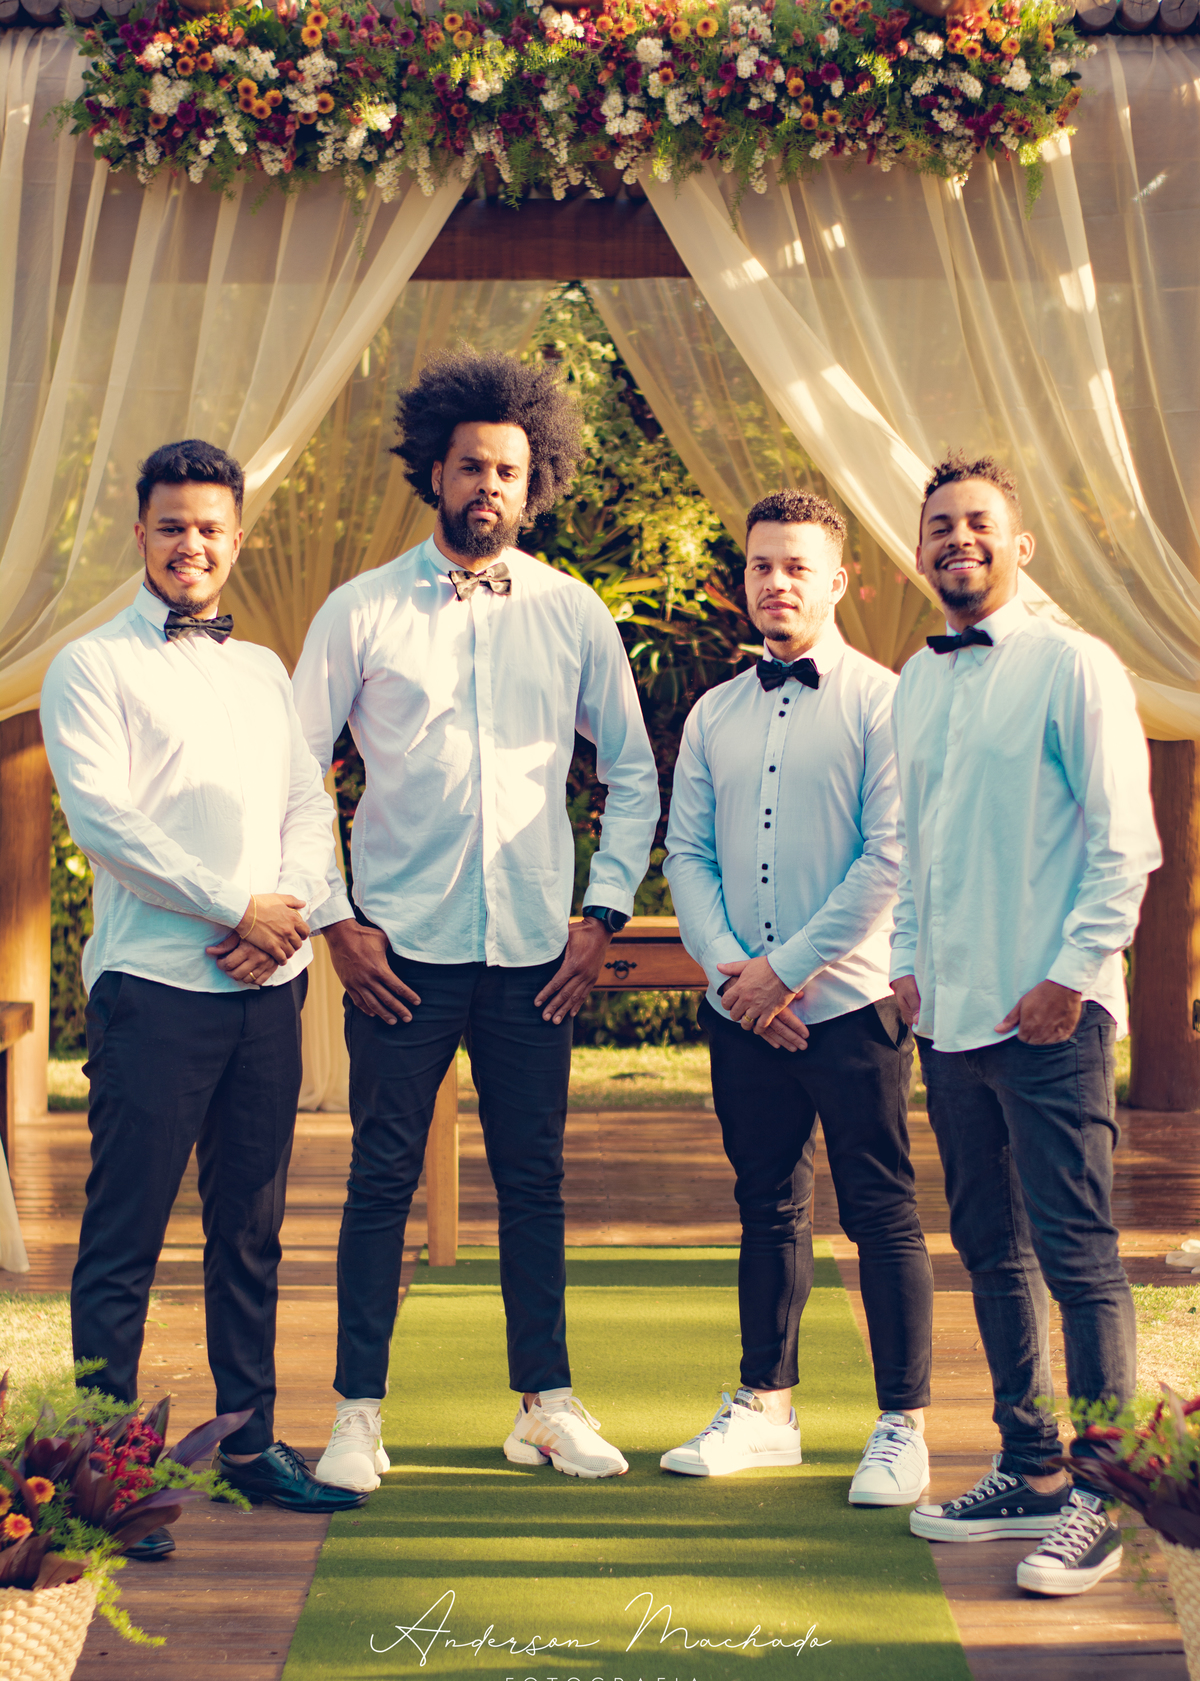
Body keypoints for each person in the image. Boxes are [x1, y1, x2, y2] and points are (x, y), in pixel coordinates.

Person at [292, 350, 659, 1491]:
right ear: (435, 471)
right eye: (470, 467)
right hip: (398, 951)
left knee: (534, 1180)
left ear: (532, 482)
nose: (488, 485)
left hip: (536, 954)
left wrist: (603, 913)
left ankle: (546, 1404)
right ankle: (356, 1414)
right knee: (380, 1181)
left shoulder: (571, 611)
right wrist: (335, 923)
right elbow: (293, 773)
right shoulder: (360, 611)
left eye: (508, 469)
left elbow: (634, 771)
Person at [41, 439, 369, 1548]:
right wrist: (236, 904)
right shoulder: (90, 667)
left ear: (238, 538)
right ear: (141, 534)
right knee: (124, 1236)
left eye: (211, 527)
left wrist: (287, 913)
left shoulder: (264, 669)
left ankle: (248, 1443)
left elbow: (304, 804)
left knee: (251, 1231)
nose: (193, 544)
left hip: (267, 989)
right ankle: (102, 1478)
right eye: (173, 525)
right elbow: (107, 825)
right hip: (154, 990)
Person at [895, 454, 1161, 1595]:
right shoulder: (915, 681)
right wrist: (906, 966)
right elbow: (917, 844)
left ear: (1020, 543)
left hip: (1050, 1016)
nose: (958, 538)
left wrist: (1072, 975)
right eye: (940, 526)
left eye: (979, 522)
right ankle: (1029, 1464)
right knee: (990, 1250)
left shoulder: (1074, 664)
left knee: (1078, 1254)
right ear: (920, 551)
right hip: (951, 1021)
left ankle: (1105, 1494)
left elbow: (1123, 842)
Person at [662, 489, 934, 1504]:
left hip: (853, 1005)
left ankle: (902, 1425)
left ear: (837, 582)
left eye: (796, 566)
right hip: (744, 1008)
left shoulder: (885, 701)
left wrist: (789, 970)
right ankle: (765, 1410)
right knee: (766, 1204)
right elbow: (686, 854)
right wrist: (737, 973)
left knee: (881, 1210)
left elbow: (889, 856)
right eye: (761, 564)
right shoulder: (713, 713)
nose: (776, 581)